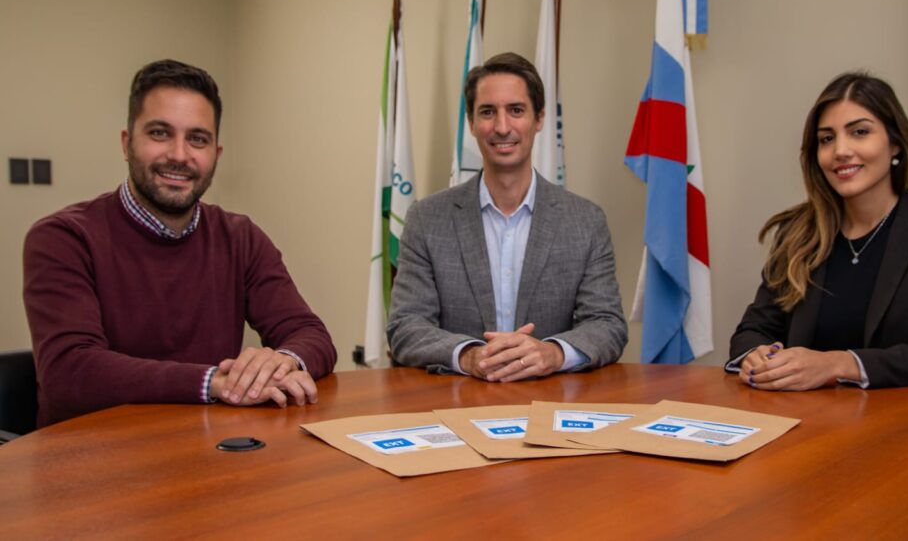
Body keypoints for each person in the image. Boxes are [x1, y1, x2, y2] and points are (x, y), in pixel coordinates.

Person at [24, 59, 337, 426]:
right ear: (127, 143)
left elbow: (310, 334)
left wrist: (282, 361)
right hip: (92, 451)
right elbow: (70, 370)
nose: (179, 155)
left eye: (197, 139)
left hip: (205, 445)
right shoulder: (63, 238)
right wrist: (213, 382)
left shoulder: (240, 238)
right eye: (160, 133)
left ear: (216, 154)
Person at [727, 72, 908, 390]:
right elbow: (753, 330)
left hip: (897, 417)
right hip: (798, 413)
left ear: (895, 144)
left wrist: (837, 364)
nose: (840, 151)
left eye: (859, 132)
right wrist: (755, 355)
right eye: (826, 139)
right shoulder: (797, 232)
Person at [386, 52, 627, 380]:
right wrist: (470, 356)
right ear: (471, 123)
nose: (502, 127)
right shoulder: (427, 220)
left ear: (539, 119)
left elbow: (607, 324)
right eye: (487, 112)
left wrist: (554, 353)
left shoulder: (585, 222)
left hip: (551, 399)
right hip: (459, 399)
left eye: (516, 110)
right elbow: (406, 325)